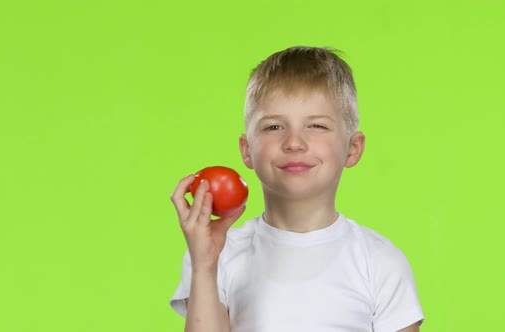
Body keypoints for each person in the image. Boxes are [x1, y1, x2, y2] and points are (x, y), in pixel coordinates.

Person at [169, 46, 425, 332]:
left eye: (316, 125)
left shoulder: (380, 262)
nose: (294, 142)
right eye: (274, 127)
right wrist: (204, 265)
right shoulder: (218, 255)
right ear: (247, 150)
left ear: (353, 149)